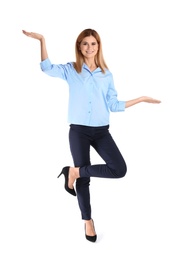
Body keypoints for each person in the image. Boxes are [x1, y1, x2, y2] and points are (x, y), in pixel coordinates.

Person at [22, 28, 161, 243]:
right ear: (79, 46)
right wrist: (42, 40)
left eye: (93, 43)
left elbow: (113, 105)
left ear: (98, 46)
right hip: (78, 131)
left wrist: (141, 99)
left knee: (119, 169)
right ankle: (88, 221)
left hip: (101, 131)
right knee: (84, 180)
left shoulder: (106, 75)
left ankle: (73, 172)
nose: (89, 47)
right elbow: (47, 68)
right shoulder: (71, 70)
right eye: (85, 43)